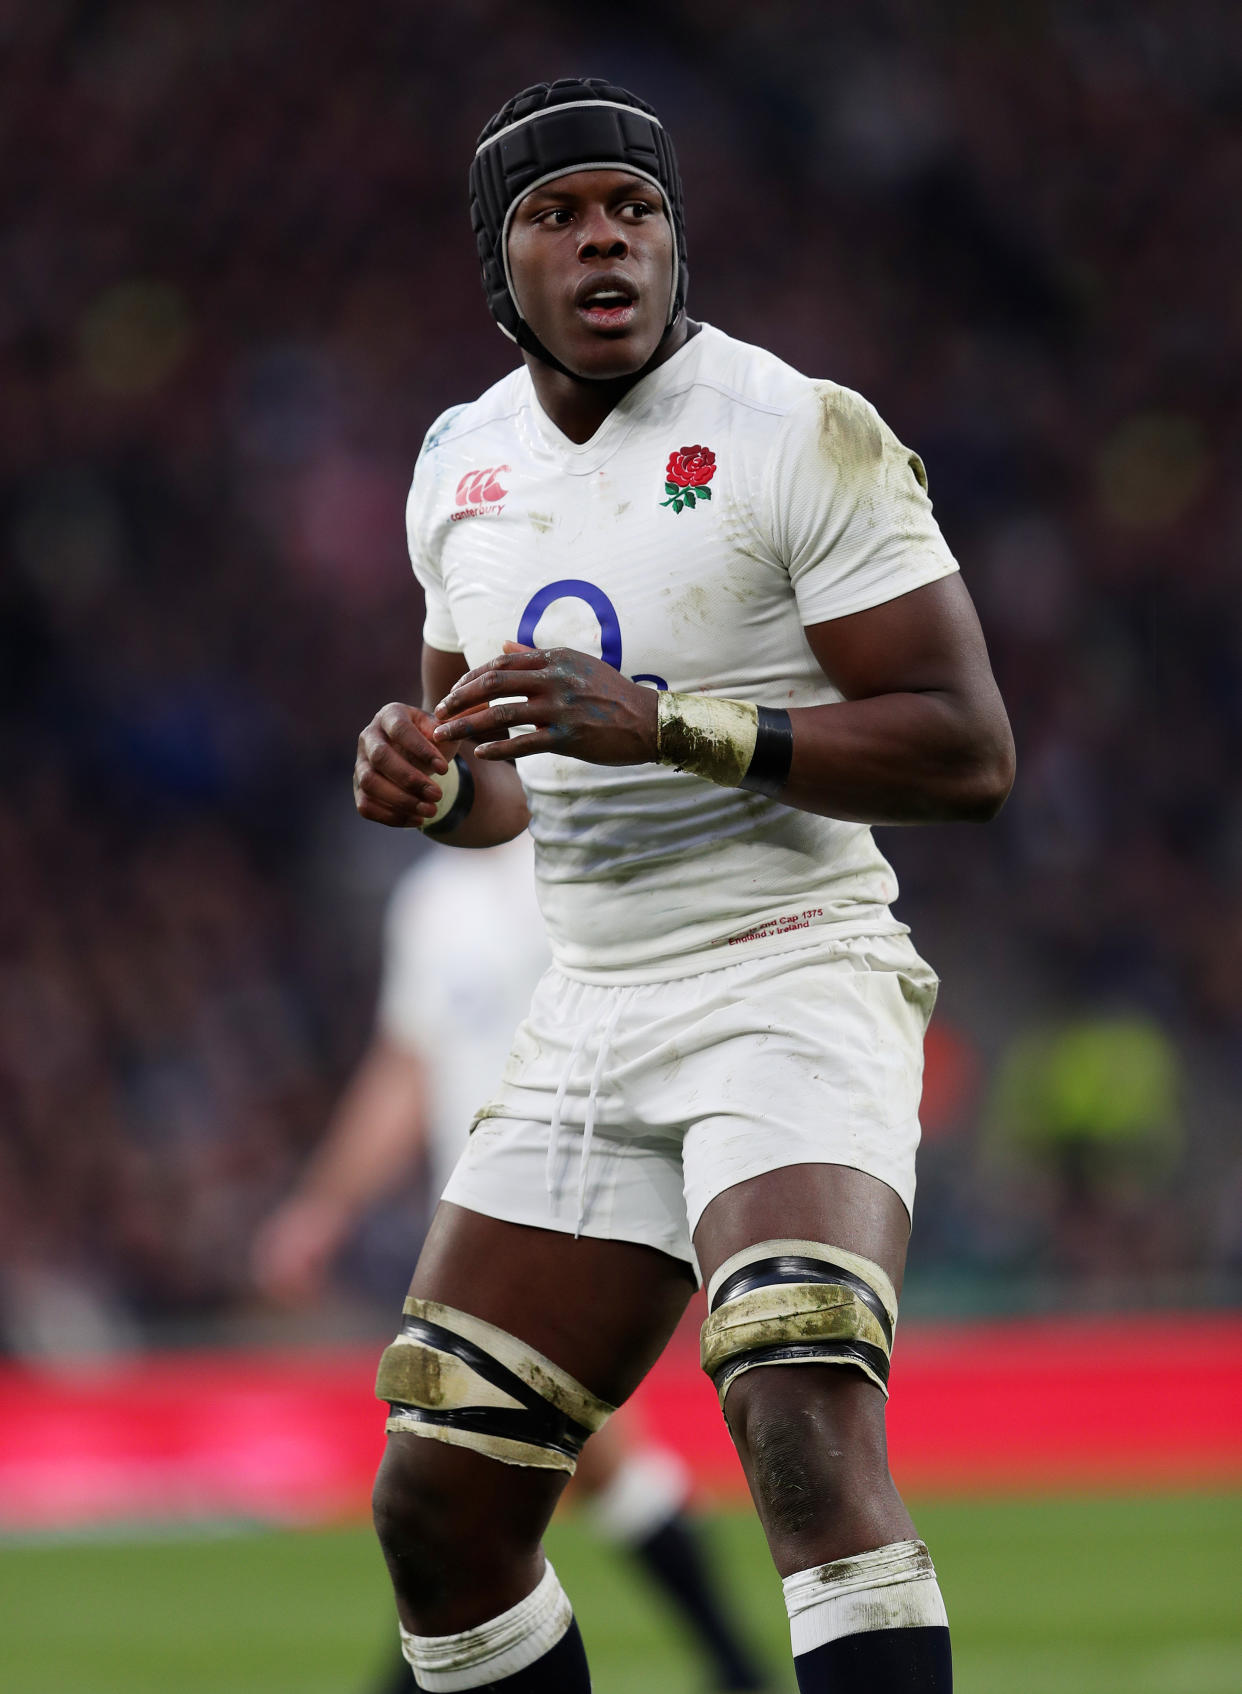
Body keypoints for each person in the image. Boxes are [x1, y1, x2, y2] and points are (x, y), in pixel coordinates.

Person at [352, 77, 1015, 1693]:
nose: (604, 243)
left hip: (789, 966)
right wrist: (431, 781)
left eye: (632, 212)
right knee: (438, 1503)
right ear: (495, 262)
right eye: (558, 215)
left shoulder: (802, 429)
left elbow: (964, 748)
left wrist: (672, 725)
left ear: (673, 239)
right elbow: (493, 781)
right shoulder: (460, 463)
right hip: (592, 1005)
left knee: (792, 1402)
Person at [253, 834, 770, 1692]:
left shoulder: (579, 856)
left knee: (458, 1473)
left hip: (580, 1204)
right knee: (495, 1473)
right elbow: (406, 1068)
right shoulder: (429, 900)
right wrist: (325, 1206)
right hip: (472, 1225)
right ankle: (738, 1671)